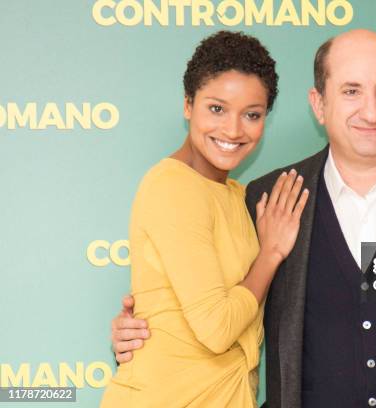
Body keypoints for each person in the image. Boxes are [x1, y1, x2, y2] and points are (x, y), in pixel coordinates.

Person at [110, 29, 376, 408]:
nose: (371, 111)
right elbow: (213, 300)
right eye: (352, 91)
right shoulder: (267, 200)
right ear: (319, 104)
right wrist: (141, 328)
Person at [100, 31, 311, 407]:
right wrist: (270, 254)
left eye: (251, 115)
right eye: (216, 108)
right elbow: (216, 328)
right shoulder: (172, 185)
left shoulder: (237, 195)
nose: (232, 130)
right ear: (188, 105)